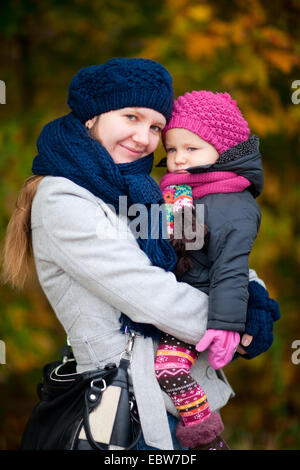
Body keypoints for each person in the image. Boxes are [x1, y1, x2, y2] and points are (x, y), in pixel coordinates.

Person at [2, 58, 276, 451]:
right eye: (131, 116)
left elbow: (205, 259)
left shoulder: (143, 191)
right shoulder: (63, 198)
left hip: (173, 405)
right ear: (91, 117)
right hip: (126, 414)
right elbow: (150, 295)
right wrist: (233, 322)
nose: (144, 138)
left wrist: (256, 297)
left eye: (155, 127)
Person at [154, 90, 280, 449]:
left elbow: (230, 270)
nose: (178, 159)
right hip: (183, 300)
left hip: (206, 306)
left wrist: (225, 325)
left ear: (222, 151)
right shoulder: (183, 192)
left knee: (170, 369)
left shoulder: (230, 202)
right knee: (167, 370)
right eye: (173, 149)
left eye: (191, 149)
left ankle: (208, 440)